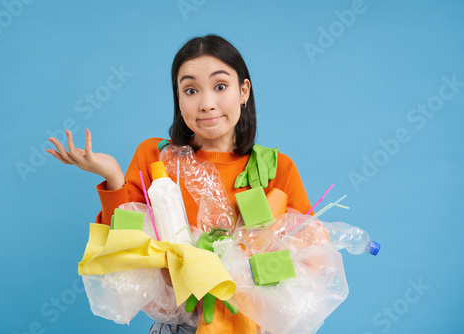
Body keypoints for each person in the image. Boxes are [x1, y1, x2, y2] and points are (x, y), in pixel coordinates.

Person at [47, 34, 313, 334]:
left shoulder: (278, 168)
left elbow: (308, 256)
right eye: (190, 90)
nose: (207, 103)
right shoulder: (155, 158)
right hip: (178, 327)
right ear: (178, 97)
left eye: (221, 86)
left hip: (252, 325)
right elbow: (125, 244)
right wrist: (112, 176)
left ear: (244, 91)